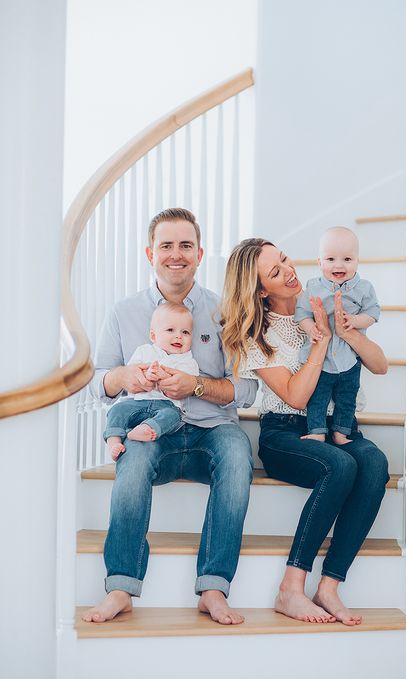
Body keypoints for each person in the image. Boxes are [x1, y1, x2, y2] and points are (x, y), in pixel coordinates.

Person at [82, 208, 257, 626]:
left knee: (237, 455)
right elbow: (96, 380)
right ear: (150, 253)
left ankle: (213, 587)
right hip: (151, 431)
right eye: (166, 246)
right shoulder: (124, 313)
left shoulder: (225, 310)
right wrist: (123, 376)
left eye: (185, 245)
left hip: (210, 431)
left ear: (200, 253)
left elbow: (248, 389)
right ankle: (121, 587)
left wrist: (195, 386)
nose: (175, 254)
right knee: (133, 459)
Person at [220, 238, 389, 626]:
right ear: (260, 289)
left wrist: (349, 333)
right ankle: (291, 589)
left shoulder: (324, 294)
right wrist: (321, 342)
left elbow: (379, 366)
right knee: (340, 466)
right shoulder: (256, 333)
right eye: (275, 271)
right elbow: (296, 398)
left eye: (284, 259)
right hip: (286, 432)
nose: (289, 270)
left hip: (338, 426)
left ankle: (328, 586)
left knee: (375, 463)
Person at [295, 226, 380, 444]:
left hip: (349, 358)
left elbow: (372, 313)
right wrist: (310, 328)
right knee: (318, 397)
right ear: (319, 262)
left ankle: (341, 432)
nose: (339, 265)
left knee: (347, 398)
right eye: (330, 259)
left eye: (347, 259)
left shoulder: (364, 288)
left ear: (357, 261)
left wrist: (355, 321)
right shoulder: (313, 287)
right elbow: (302, 313)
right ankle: (317, 430)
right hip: (321, 360)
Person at [103, 302, 199, 462]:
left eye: (185, 332)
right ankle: (114, 441)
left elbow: (188, 383)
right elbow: (132, 372)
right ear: (154, 336)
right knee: (117, 409)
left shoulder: (188, 360)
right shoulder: (144, 351)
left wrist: (164, 376)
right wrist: (146, 373)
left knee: (174, 416)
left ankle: (147, 429)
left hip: (167, 405)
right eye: (170, 330)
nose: (178, 336)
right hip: (139, 402)